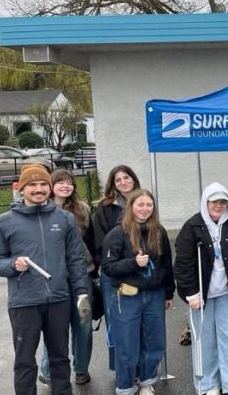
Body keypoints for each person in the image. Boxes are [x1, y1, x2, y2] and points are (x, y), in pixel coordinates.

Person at [0, 165, 91, 395]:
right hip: (24, 302)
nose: (38, 189)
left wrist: (81, 293)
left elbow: (76, 260)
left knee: (60, 359)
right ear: (21, 188)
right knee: (24, 362)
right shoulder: (5, 221)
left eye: (43, 185)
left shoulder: (65, 219)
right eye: (32, 185)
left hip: (59, 299)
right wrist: (13, 265)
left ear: (49, 188)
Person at [173, 183, 228, 395]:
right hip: (200, 294)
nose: (218, 206)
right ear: (206, 202)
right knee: (204, 338)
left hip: (226, 292)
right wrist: (191, 293)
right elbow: (183, 263)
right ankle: (208, 384)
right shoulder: (192, 226)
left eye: (223, 202)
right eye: (214, 202)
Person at [101, 189, 175, 395]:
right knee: (127, 343)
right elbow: (108, 267)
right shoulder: (116, 234)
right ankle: (124, 387)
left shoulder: (158, 231)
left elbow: (167, 264)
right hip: (126, 296)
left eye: (149, 205)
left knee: (154, 341)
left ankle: (146, 382)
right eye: (140, 205)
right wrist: (133, 263)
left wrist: (169, 293)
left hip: (155, 295)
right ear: (131, 206)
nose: (145, 209)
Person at [39, 169, 96, 386]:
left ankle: (81, 369)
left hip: (82, 277)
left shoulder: (82, 210)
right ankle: (48, 370)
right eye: (60, 182)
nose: (66, 186)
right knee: (55, 327)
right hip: (53, 280)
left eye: (69, 182)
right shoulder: (41, 211)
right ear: (51, 185)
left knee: (83, 324)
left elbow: (91, 242)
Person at [92, 164, 141, 370]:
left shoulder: (143, 201)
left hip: (139, 269)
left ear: (133, 179)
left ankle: (139, 366)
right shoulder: (105, 207)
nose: (123, 182)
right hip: (113, 271)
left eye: (126, 177)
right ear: (113, 184)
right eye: (118, 179)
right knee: (116, 321)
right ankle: (120, 367)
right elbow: (101, 241)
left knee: (138, 319)